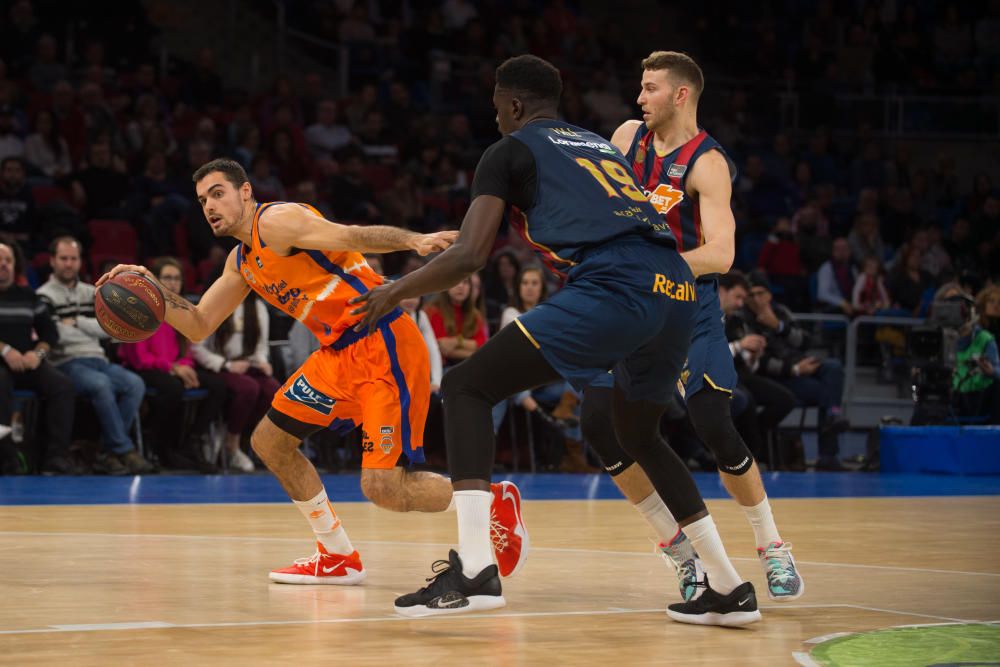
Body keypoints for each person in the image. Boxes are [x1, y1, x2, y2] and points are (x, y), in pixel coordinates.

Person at [353, 55, 759, 625]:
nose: (494, 118)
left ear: (514, 106)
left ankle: (474, 569)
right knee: (638, 433)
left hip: (615, 287)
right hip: (677, 287)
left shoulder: (509, 150)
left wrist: (392, 292)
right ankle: (727, 585)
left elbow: (470, 256)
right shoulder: (595, 143)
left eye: (497, 107)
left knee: (467, 385)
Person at [99, 158, 526, 586]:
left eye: (217, 193)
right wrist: (150, 288)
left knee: (384, 488)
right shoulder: (242, 262)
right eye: (202, 200)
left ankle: (488, 503)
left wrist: (415, 240)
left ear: (245, 192)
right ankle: (337, 554)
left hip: (382, 343)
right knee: (270, 441)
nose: (209, 206)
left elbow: (351, 235)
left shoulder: (279, 221)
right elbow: (198, 323)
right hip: (336, 355)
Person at [578, 51, 802, 605]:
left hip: (687, 302)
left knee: (712, 420)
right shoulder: (627, 136)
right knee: (598, 425)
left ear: (681, 95)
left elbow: (722, 253)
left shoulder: (707, 163)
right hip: (628, 305)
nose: (639, 97)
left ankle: (771, 543)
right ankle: (680, 551)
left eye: (650, 88)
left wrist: (656, 265)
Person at [36, 236, 154, 475]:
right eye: (63, 259)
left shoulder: (94, 292)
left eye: (73, 259)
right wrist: (92, 327)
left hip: (100, 359)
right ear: (52, 261)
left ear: (80, 261)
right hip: (66, 361)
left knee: (135, 384)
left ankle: (105, 451)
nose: (69, 264)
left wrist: (77, 322)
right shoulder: (43, 295)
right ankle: (121, 449)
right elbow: (56, 335)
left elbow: (112, 330)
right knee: (101, 385)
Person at [118, 258, 225, 472]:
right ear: (155, 281)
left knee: (218, 386)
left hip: (173, 368)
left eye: (177, 278)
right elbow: (140, 358)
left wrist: (184, 366)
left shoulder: (180, 310)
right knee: (173, 388)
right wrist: (173, 368)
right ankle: (160, 446)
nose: (173, 283)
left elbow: (187, 348)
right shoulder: (138, 308)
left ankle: (191, 442)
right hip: (144, 369)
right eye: (167, 278)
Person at [743, 271, 849, 470]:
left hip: (800, 365)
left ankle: (832, 416)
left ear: (769, 295)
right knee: (826, 392)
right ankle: (828, 454)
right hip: (778, 376)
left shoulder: (781, 312)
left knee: (833, 367)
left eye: (760, 293)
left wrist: (778, 326)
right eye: (751, 295)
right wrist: (794, 370)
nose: (756, 299)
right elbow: (762, 362)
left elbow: (806, 341)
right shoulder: (745, 320)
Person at [0, 242, 81, 474]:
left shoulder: (28, 295)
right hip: (2, 364)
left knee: (62, 385)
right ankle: (7, 457)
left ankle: (55, 457)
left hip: (26, 361)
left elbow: (49, 333)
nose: (3, 265)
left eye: (8, 260)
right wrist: (5, 350)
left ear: (15, 266)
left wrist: (38, 353)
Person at [191, 290, 280, 472]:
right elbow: (197, 347)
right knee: (248, 389)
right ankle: (231, 444)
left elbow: (261, 346)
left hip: (248, 363)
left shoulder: (258, 307)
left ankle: (247, 440)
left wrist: (262, 361)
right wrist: (225, 364)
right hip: (219, 365)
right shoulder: (213, 305)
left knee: (273, 390)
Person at [953, 285, 1000, 424]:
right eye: (992, 301)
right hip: (962, 389)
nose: (996, 306)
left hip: (986, 390)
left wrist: (992, 371)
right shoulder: (969, 331)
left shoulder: (986, 338)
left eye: (999, 302)